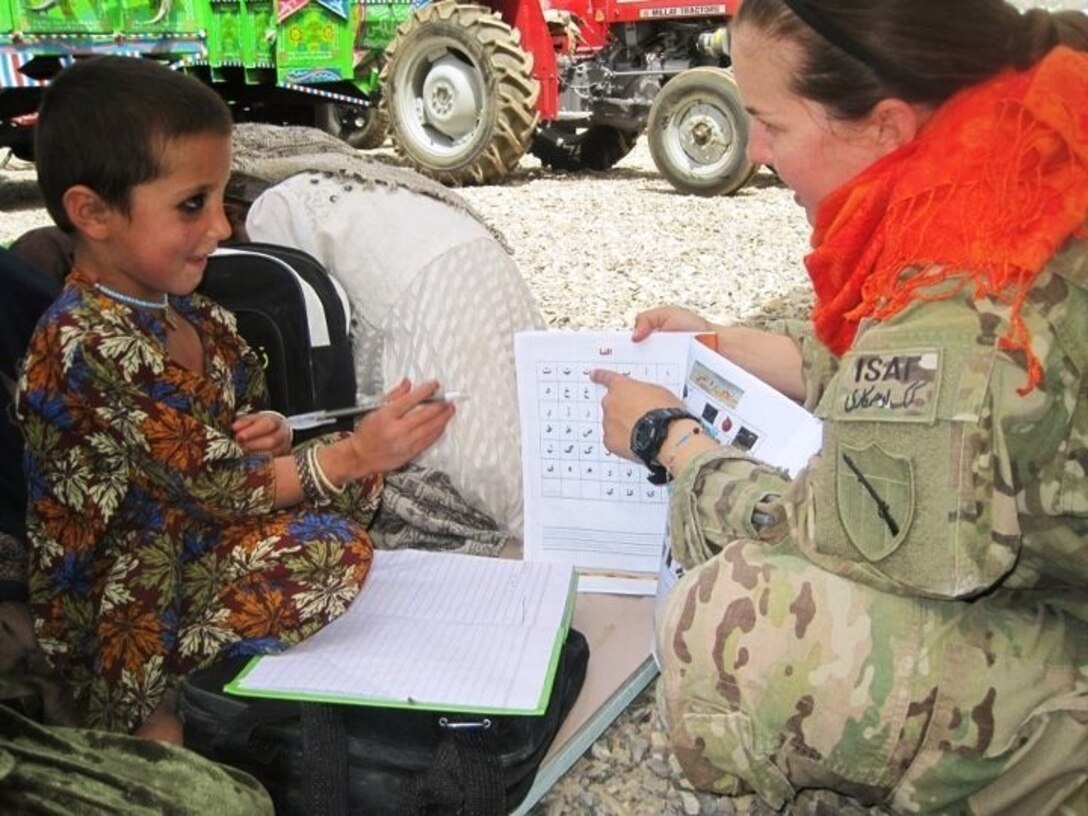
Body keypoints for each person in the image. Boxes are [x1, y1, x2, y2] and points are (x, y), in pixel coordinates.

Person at [591, 1, 1088, 812]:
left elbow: (833, 537)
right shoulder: (1024, 148)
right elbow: (892, 356)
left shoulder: (962, 279)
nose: (758, 154)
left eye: (773, 126)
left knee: (746, 621)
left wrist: (672, 443)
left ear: (886, 126)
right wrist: (726, 346)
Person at [15, 56, 456, 738]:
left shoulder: (189, 314)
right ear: (93, 213)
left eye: (222, 200)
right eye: (193, 204)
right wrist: (352, 454)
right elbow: (217, 487)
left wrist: (271, 429)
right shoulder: (85, 342)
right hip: (128, 597)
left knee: (347, 492)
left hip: (195, 528)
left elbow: (237, 426)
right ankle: (160, 702)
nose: (221, 227)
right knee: (330, 544)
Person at [225, 122, 546, 539]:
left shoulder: (275, 208)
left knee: (454, 455)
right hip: (475, 270)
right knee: (514, 435)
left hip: (426, 304)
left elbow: (306, 336)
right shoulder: (349, 180)